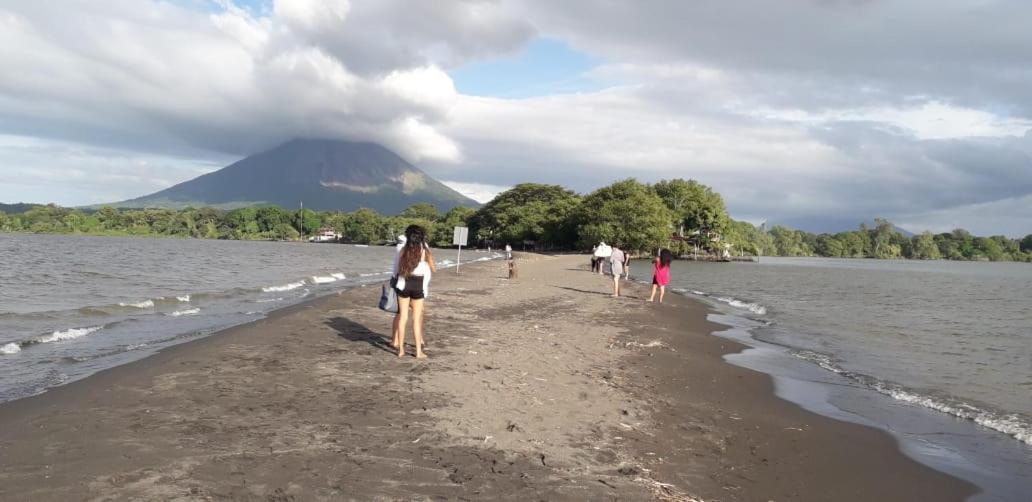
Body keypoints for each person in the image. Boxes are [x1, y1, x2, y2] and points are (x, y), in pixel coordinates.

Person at [390, 225, 437, 358]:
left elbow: (396, 270)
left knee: (402, 317)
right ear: (421, 237)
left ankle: (401, 351)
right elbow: (434, 269)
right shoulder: (425, 251)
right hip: (418, 285)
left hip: (403, 284)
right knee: (416, 319)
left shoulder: (403, 250)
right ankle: (418, 352)